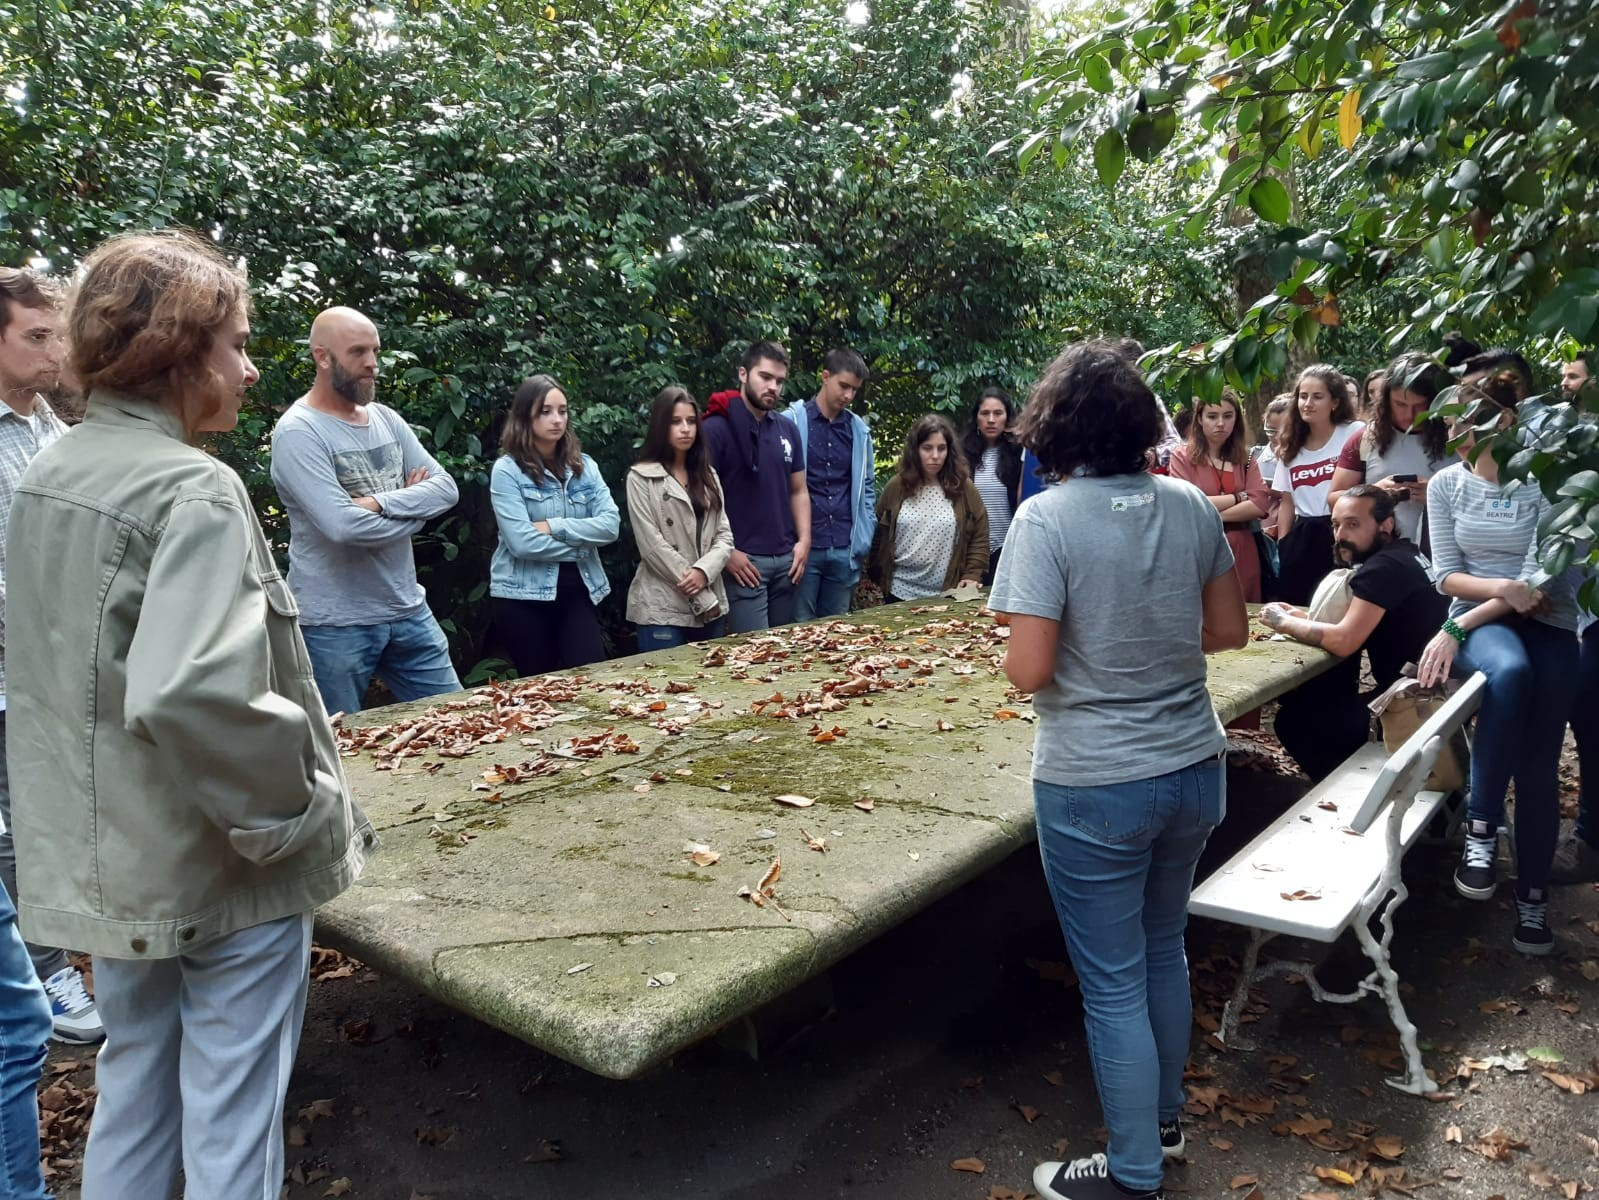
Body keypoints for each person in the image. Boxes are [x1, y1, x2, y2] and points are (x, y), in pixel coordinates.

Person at [6, 228, 374, 1199]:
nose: (250, 369)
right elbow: (192, 691)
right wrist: (294, 817)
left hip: (118, 864)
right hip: (220, 868)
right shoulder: (190, 490)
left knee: (135, 1092)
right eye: (239, 343)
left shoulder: (54, 471)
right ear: (180, 352)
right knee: (232, 1124)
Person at [989, 340, 1248, 1200]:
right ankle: (1163, 1120)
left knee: (1110, 984)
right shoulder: (1190, 506)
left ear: (1055, 426)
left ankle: (1133, 1171)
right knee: (1161, 948)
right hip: (1193, 765)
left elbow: (1027, 670)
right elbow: (1226, 633)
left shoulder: (1045, 520)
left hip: (1094, 779)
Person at [1416, 372, 1582, 955]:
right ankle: (1481, 825)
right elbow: (1444, 574)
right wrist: (1481, 604)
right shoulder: (1445, 485)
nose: (1457, 433)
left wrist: (1460, 621)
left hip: (1551, 622)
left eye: (1470, 420)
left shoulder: (1548, 484)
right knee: (1508, 673)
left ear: (1507, 420)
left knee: (1538, 770)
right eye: (1452, 422)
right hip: (1484, 625)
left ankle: (1533, 902)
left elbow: (1540, 584)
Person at [0, 268, 105, 1047]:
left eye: (56, 335)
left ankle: (53, 962)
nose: (54, 351)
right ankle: (45, 976)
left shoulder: (51, 430)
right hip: (10, 676)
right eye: (36, 337)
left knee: (56, 823)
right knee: (14, 834)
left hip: (58, 669)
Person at [270, 306, 461, 716]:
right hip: (333, 625)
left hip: (408, 609)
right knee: (339, 752)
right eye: (358, 352)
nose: (372, 363)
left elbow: (446, 489)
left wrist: (380, 503)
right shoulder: (298, 432)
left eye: (375, 351)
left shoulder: (387, 420)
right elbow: (343, 526)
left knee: (461, 721)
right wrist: (418, 509)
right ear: (323, 357)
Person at [1261, 486, 1448, 780]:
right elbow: (1356, 620)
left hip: (1413, 707)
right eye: (1336, 525)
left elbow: (1344, 640)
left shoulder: (1381, 569)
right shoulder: (1405, 553)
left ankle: (1352, 797)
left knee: (1294, 721)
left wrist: (1281, 622)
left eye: (1353, 524)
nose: (1340, 535)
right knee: (1322, 705)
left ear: (1385, 525)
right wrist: (1296, 615)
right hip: (1438, 697)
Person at [489, 375, 620, 674]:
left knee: (592, 678)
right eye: (545, 411)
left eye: (562, 411)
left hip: (578, 592)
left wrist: (553, 525)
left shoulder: (585, 467)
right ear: (525, 416)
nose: (557, 419)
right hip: (520, 597)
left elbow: (611, 526)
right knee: (539, 693)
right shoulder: (507, 471)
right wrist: (583, 545)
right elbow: (522, 542)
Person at [703, 341, 810, 632]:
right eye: (765, 377)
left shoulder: (787, 429)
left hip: (787, 561)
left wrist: (804, 542)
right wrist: (726, 554)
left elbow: (798, 490)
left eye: (779, 381)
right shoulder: (715, 429)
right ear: (743, 374)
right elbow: (698, 500)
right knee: (756, 659)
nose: (773, 387)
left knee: (784, 654)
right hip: (745, 563)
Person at [626, 387, 734, 649]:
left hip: (710, 600)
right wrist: (695, 584)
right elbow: (651, 546)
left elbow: (724, 535)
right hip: (663, 605)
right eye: (676, 422)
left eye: (691, 421)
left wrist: (703, 571)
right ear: (661, 426)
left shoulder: (708, 475)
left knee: (711, 685)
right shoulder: (640, 478)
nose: (685, 428)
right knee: (663, 687)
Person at [785, 348, 875, 620]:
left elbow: (867, 487)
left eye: (854, 390)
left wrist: (863, 536)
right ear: (825, 377)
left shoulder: (858, 430)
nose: (848, 395)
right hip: (802, 547)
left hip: (844, 547)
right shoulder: (791, 422)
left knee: (836, 632)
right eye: (843, 386)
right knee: (798, 630)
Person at [1328, 351, 1451, 544]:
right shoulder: (1365, 438)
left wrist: (1438, 495)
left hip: (1444, 552)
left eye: (1420, 406)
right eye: (1400, 404)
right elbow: (1333, 499)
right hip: (1383, 554)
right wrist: (1373, 494)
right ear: (1386, 400)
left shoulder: (1459, 437)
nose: (1410, 415)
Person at [867, 414, 988, 602]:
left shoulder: (964, 489)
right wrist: (877, 572)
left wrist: (972, 574)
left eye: (941, 448)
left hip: (947, 592)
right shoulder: (896, 487)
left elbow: (979, 535)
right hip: (898, 591)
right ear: (915, 450)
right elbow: (878, 535)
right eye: (927, 448)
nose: (935, 456)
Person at [1271, 364, 1363, 605]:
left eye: (1317, 396)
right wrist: (1284, 545)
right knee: (1300, 605)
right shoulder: (1291, 445)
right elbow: (1287, 502)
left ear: (1335, 402)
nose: (1308, 403)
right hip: (1303, 538)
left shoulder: (1354, 433)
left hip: (1343, 531)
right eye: (1303, 396)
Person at [1167, 388, 1268, 601]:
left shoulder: (1246, 458)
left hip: (1242, 546)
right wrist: (1239, 497)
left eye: (1228, 416)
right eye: (1212, 416)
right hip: (1200, 545)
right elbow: (1185, 503)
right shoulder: (1182, 456)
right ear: (1200, 419)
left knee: (1246, 613)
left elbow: (1259, 504)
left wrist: (1212, 514)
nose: (1220, 423)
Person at [962, 386, 1022, 584]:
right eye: (985, 413)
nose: (991, 420)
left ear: (1007, 418)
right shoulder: (962, 455)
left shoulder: (1019, 455)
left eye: (998, 413)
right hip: (970, 548)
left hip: (1008, 546)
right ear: (976, 418)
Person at [1254, 394, 1292, 539]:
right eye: (1271, 431)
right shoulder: (1256, 456)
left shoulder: (1305, 457)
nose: (1277, 437)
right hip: (1263, 531)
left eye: (1283, 431)